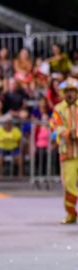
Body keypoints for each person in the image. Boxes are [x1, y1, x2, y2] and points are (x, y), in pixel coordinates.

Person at [50, 78, 78, 224]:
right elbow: (55, 127)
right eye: (67, 91)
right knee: (68, 183)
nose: (70, 94)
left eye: (72, 91)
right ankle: (71, 213)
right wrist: (68, 133)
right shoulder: (58, 109)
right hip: (68, 152)